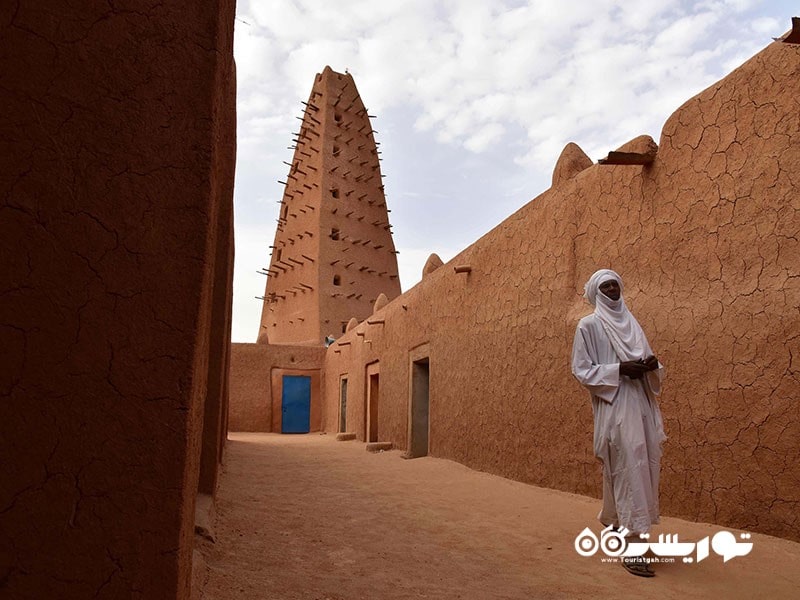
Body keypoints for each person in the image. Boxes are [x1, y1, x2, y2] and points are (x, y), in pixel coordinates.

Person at [571, 269, 666, 577]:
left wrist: (652, 366)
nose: (612, 288)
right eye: (605, 285)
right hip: (616, 405)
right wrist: (620, 370)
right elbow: (582, 369)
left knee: (635, 465)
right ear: (596, 292)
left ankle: (614, 521)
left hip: (641, 402)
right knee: (630, 467)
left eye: (615, 284)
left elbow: (647, 359)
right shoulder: (588, 325)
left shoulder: (631, 321)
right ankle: (634, 545)